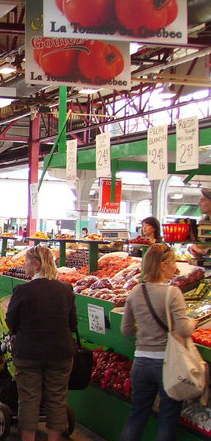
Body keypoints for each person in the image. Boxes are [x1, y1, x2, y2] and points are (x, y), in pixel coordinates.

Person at [120, 244, 195, 441]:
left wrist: (144, 328)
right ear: (162, 265)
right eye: (172, 262)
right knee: (167, 420)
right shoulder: (173, 293)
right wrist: (193, 321)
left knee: (136, 417)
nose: (176, 267)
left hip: (141, 363)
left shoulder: (135, 291)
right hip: (167, 364)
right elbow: (185, 329)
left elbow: (126, 329)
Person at [6, 245, 77, 441]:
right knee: (57, 400)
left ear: (36, 265)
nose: (24, 265)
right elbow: (73, 323)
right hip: (60, 353)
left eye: (26, 261)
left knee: (29, 400)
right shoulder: (66, 290)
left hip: (28, 353)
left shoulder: (22, 290)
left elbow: (11, 320)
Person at [191, 189, 211, 257]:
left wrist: (203, 251)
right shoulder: (202, 223)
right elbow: (200, 244)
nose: (199, 204)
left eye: (202, 200)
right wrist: (193, 248)